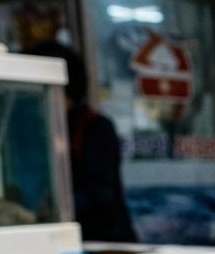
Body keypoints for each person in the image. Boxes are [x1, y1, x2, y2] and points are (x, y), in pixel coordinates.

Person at [26, 41, 138, 243]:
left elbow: (100, 193)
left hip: (106, 240)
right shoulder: (35, 128)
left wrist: (46, 215)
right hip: (60, 239)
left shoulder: (96, 127)